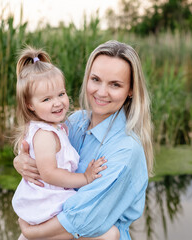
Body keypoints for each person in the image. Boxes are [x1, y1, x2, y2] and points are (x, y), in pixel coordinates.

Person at [14, 40, 154, 240]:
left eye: (115, 84)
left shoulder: (125, 150)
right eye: (96, 79)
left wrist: (29, 231)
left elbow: (84, 218)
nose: (101, 92)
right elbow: (46, 157)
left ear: (130, 90)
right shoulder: (75, 122)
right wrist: (20, 160)